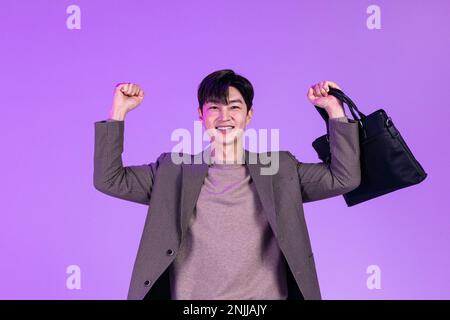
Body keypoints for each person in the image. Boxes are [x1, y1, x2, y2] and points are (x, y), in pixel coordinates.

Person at [93, 69, 361, 300]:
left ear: (249, 115)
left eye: (234, 107)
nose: (224, 117)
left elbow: (344, 178)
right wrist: (118, 112)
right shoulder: (172, 171)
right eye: (214, 108)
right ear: (201, 114)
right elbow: (110, 179)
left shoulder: (280, 169)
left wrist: (333, 110)